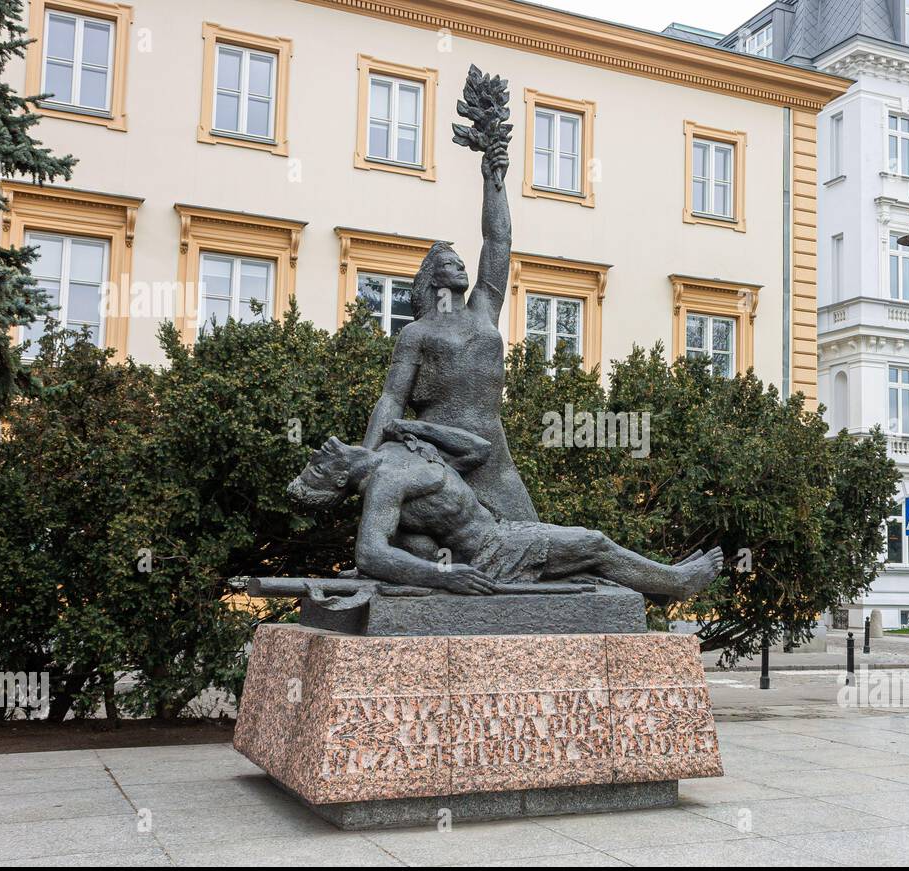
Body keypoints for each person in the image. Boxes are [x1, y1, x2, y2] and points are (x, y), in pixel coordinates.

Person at [288, 421, 723, 599]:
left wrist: (415, 426)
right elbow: (370, 554)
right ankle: (675, 583)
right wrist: (445, 576)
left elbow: (478, 449)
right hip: (490, 554)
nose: (320, 453)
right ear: (339, 479)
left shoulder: (393, 448)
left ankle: (666, 575)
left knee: (583, 551)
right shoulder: (383, 483)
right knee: (594, 544)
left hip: (505, 531)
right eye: (317, 468)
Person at [360, 141, 538, 521]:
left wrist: (494, 182)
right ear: (431, 279)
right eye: (448, 262)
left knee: (530, 537)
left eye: (460, 261)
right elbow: (392, 398)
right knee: (435, 541)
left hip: (492, 451)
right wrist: (366, 458)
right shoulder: (418, 334)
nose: (459, 265)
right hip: (438, 451)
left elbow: (499, 241)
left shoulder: (484, 308)